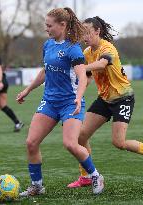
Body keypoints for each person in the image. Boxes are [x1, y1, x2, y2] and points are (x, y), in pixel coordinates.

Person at [67, 16, 143, 188]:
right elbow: (88, 77)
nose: (84, 37)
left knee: (118, 142)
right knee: (80, 136)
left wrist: (81, 67)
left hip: (123, 98)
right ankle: (86, 176)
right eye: (82, 33)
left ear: (97, 31)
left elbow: (101, 64)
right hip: (104, 99)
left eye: (87, 32)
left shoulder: (108, 48)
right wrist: (77, 94)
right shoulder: (87, 53)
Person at [16, 8, 104, 196]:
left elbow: (82, 77)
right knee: (31, 142)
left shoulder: (73, 49)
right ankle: (37, 186)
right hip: (49, 102)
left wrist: (78, 98)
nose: (46, 28)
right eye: (46, 25)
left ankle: (95, 175)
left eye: (49, 25)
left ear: (62, 25)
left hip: (70, 103)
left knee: (71, 144)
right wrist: (28, 89)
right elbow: (45, 71)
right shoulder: (47, 45)